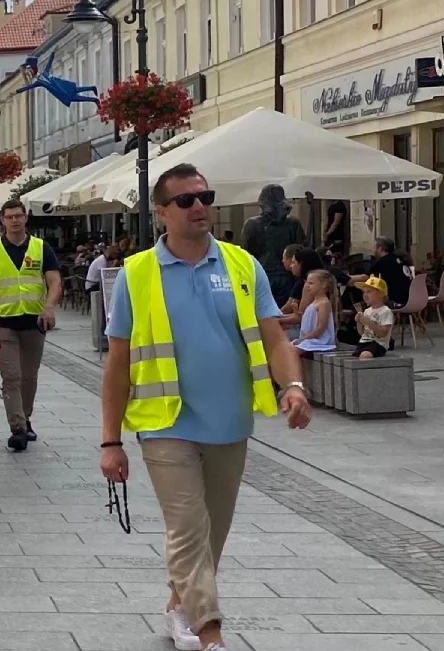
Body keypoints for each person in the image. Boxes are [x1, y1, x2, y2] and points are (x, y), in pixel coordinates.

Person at [101, 164, 310, 651]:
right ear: (161, 213)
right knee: (187, 528)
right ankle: (211, 634)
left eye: (205, 197)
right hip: (165, 423)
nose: (199, 206)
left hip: (229, 422)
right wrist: (111, 441)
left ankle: (180, 606)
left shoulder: (242, 265)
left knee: (212, 532)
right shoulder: (135, 275)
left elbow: (275, 339)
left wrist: (293, 385)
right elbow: (117, 364)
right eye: (186, 200)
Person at [0, 199, 62, 450]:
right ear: (3, 220)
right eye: (9, 217)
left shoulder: (41, 248)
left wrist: (49, 307)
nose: (14, 220)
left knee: (29, 377)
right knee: (12, 377)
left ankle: (25, 418)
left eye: (19, 216)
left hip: (34, 322)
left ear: (25, 218)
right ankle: (17, 427)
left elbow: (55, 282)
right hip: (3, 322)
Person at [242, 184, 307, 306]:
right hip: (284, 277)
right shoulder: (293, 224)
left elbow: (246, 255)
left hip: (264, 275)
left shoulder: (252, 224)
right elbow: (302, 251)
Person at [352, 236, 412, 308]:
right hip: (410, 299)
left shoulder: (384, 261)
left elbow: (365, 278)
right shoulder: (400, 259)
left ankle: (370, 318)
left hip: (395, 301)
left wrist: (346, 277)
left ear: (380, 249)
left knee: (363, 300)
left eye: (374, 247)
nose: (373, 250)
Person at [291, 270, 338, 353]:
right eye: (307, 283)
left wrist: (303, 339)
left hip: (320, 341)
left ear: (323, 285)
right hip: (308, 339)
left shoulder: (323, 303)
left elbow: (321, 327)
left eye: (311, 283)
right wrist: (296, 311)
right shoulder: (313, 302)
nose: (307, 286)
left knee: (292, 351)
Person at [354, 276, 394, 359]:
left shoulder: (386, 311)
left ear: (380, 294)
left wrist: (369, 322)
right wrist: (358, 322)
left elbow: (383, 333)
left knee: (365, 355)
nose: (365, 295)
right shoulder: (367, 311)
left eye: (369, 292)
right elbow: (361, 333)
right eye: (364, 292)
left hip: (379, 343)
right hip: (364, 342)